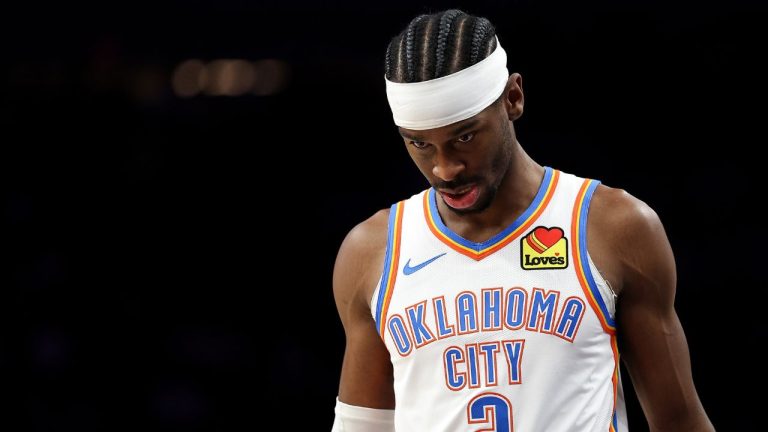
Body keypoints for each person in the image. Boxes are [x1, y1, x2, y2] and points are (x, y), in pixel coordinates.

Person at [332, 9, 713, 432]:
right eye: (420, 144)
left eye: (465, 136)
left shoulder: (613, 226)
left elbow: (679, 421)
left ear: (513, 98)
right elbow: (360, 428)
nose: (445, 169)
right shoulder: (372, 251)